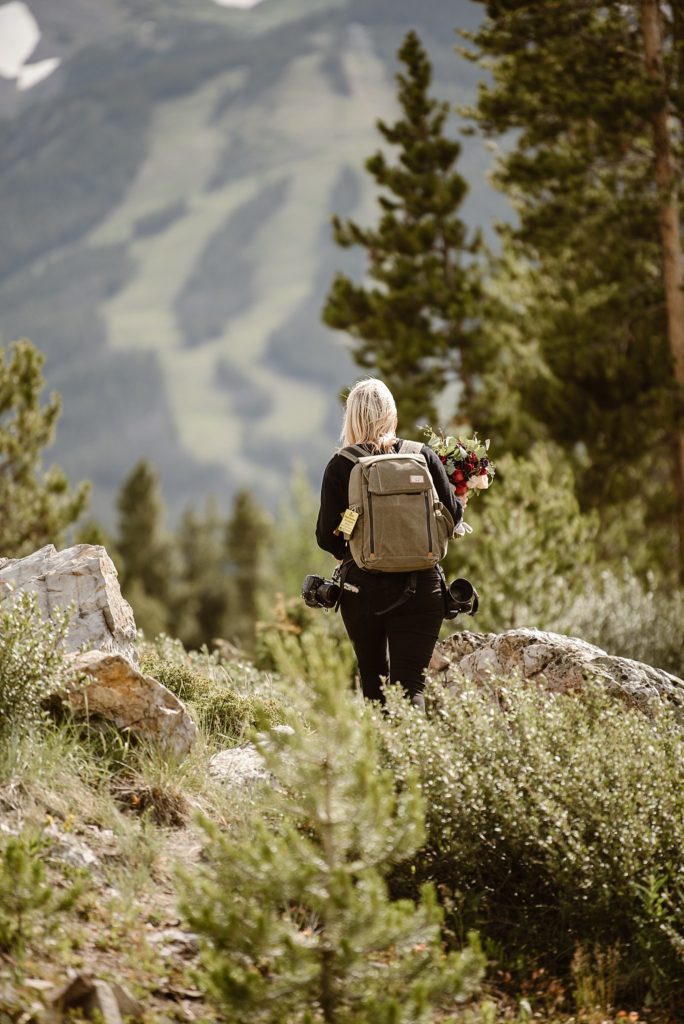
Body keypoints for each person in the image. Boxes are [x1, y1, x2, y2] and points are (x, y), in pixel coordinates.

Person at [316, 378, 462, 710]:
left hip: (362, 590)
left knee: (374, 687)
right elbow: (452, 518)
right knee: (412, 687)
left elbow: (327, 536)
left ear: (351, 418)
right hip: (423, 587)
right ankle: (412, 758)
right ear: (391, 414)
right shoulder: (422, 455)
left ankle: (380, 759)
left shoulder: (342, 464)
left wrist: (353, 550)